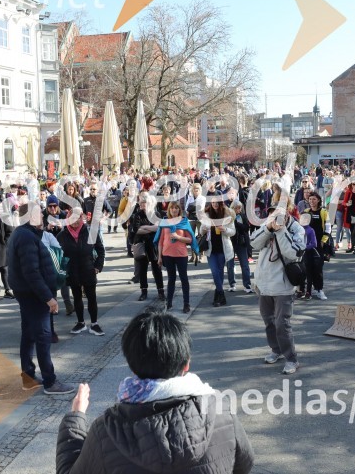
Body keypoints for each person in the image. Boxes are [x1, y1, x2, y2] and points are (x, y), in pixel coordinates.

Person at [56, 308, 254, 473]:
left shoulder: (106, 431)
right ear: (186, 365)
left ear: (132, 368)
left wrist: (75, 417)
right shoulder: (221, 412)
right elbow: (244, 464)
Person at [7, 203, 75, 395]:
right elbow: (31, 272)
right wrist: (49, 298)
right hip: (34, 296)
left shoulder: (23, 234)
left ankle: (28, 378)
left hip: (28, 293)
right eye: (38, 214)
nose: (43, 216)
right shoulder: (26, 237)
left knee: (28, 335)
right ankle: (50, 382)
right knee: (43, 337)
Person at [250, 204, 305, 375]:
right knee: (269, 322)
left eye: (278, 213)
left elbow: (293, 253)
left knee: (282, 324)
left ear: (288, 213)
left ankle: (291, 359)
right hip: (264, 283)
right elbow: (254, 243)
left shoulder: (297, 230)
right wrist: (268, 228)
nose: (275, 217)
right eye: (272, 214)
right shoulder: (267, 225)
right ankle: (276, 350)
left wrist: (280, 231)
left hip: (283, 286)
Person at [57, 207, 105, 336]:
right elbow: (57, 254)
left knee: (91, 297)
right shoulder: (62, 235)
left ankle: (94, 323)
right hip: (72, 270)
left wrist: (98, 266)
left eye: (77, 218)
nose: (75, 221)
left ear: (81, 218)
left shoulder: (90, 231)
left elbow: (100, 250)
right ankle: (81, 322)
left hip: (88, 268)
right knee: (76, 296)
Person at [155, 201, 198, 313]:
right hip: (167, 254)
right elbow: (160, 241)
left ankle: (186, 304)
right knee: (171, 279)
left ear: (179, 210)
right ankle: (169, 303)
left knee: (184, 279)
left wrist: (178, 237)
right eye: (172, 208)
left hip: (181, 255)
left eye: (176, 208)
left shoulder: (184, 222)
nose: (174, 210)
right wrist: (159, 257)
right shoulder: (165, 222)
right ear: (169, 210)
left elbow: (190, 239)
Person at [198, 198, 236, 307]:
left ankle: (218, 297)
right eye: (213, 202)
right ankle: (221, 294)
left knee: (219, 273)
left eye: (216, 202)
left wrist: (225, 229)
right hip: (211, 249)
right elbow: (201, 231)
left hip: (223, 249)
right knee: (215, 272)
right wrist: (204, 228)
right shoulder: (207, 215)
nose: (214, 204)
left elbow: (233, 232)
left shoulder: (226, 215)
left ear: (220, 203)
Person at [127, 192, 164, 302]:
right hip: (141, 244)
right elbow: (137, 230)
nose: (143, 204)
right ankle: (144, 291)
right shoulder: (137, 215)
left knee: (156, 268)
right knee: (142, 269)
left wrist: (145, 227)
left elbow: (158, 228)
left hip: (153, 244)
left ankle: (161, 291)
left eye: (145, 202)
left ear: (150, 203)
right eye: (142, 202)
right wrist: (151, 228)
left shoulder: (156, 214)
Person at [230, 201, 254, 293]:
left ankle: (247, 285)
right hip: (231, 242)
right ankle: (232, 284)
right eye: (236, 208)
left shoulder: (243, 216)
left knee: (244, 265)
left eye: (239, 208)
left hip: (241, 242)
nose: (238, 210)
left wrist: (237, 224)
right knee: (230, 265)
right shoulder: (229, 217)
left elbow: (246, 228)